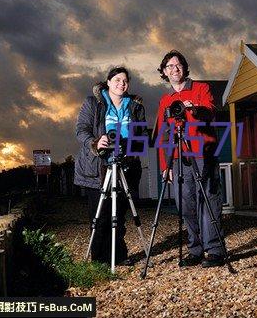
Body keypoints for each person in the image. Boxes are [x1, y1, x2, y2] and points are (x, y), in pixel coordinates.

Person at [155, 50, 225, 268]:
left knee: (208, 201)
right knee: (185, 204)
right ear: (164, 73)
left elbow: (211, 112)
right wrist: (165, 166)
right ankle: (195, 249)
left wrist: (192, 109)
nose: (174, 69)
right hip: (179, 158)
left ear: (184, 68)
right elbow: (162, 134)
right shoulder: (166, 100)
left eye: (178, 65)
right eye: (169, 67)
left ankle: (214, 250)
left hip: (203, 153)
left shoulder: (201, 88)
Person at [74, 66, 147, 266]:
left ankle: (119, 255)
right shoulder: (93, 102)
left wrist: (133, 144)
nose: (121, 84)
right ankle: (99, 260)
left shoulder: (135, 106)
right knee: (101, 215)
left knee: (120, 215)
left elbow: (142, 134)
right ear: (108, 82)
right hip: (98, 166)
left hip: (126, 165)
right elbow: (81, 130)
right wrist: (95, 142)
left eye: (125, 81)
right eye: (117, 80)